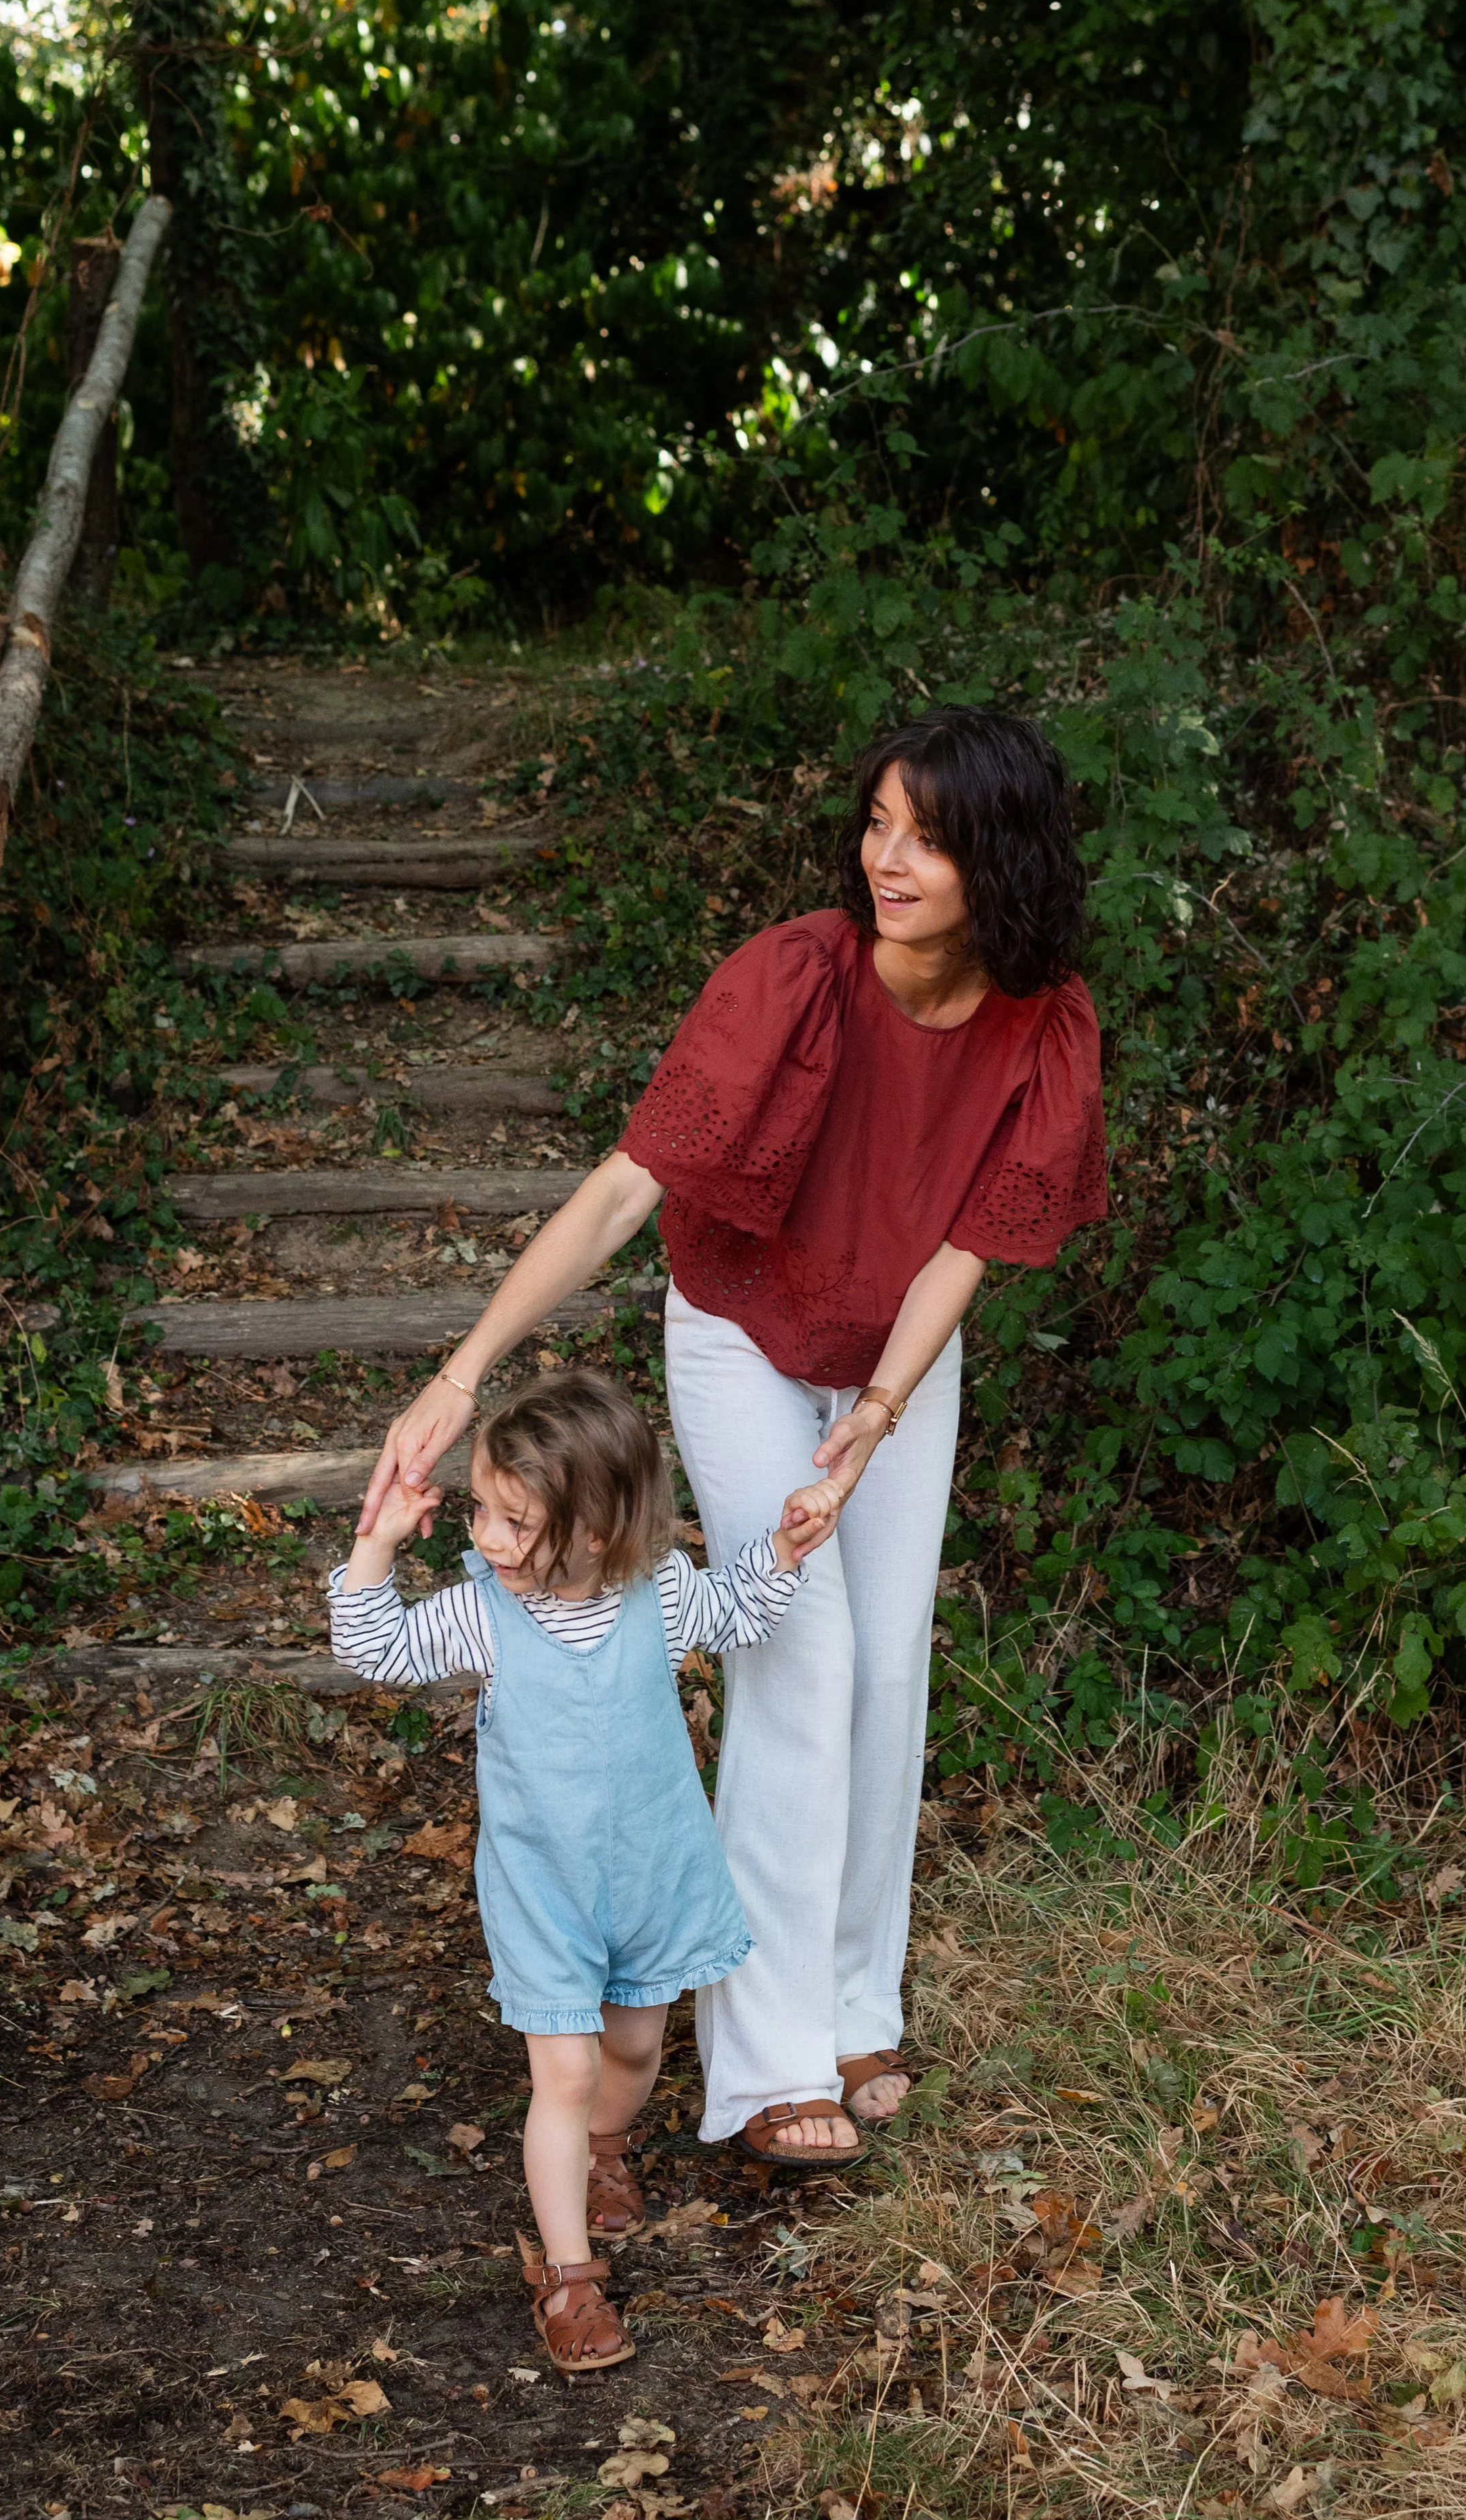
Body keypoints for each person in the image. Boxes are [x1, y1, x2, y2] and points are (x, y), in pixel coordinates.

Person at [358, 706, 1106, 2168]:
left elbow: (963, 1245)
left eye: (927, 837)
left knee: (887, 1665)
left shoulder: (1044, 1017)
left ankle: (851, 1998)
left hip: (894, 1356)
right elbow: (625, 1192)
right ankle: (766, 2066)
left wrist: (880, 1410)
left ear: (998, 860)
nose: (885, 858)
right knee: (801, 1655)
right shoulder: (797, 977)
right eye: (876, 821)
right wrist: (462, 1373)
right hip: (745, 1325)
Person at [330, 1368, 838, 2371]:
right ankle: (569, 2280)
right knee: (562, 2070)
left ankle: (607, 2150)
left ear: (599, 1533)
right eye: (482, 1510)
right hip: (543, 1887)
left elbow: (737, 1612)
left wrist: (781, 1551)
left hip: (654, 1874)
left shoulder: (659, 1599)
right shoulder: (484, 1613)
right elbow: (375, 1649)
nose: (487, 1539)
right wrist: (377, 1542)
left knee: (634, 2057)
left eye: (518, 1524)